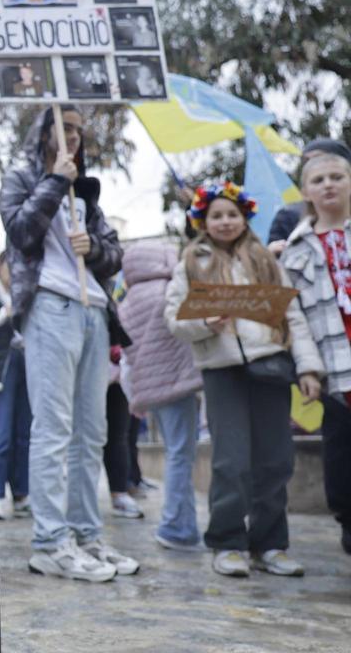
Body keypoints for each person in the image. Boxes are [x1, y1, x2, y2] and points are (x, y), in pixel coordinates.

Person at [0, 104, 136, 583]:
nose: (73, 136)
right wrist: (54, 181)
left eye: (78, 129)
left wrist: (93, 249)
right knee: (53, 429)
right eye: (64, 127)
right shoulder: (21, 178)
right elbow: (19, 232)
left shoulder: (87, 193)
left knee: (90, 431)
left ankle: (85, 535)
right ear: (44, 131)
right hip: (50, 306)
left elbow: (115, 252)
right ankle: (50, 542)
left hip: (94, 310)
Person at [164, 182, 323, 577]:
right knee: (231, 460)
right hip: (222, 371)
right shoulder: (191, 261)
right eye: (216, 215)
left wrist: (307, 367)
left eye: (231, 214)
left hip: (270, 365)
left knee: (275, 460)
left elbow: (293, 317)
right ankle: (228, 541)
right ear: (202, 220)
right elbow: (174, 319)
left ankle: (270, 544)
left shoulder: (267, 262)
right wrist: (205, 322)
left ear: (245, 217)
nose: (224, 222)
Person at [278, 153, 351, 555]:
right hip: (336, 371)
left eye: (337, 176)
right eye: (319, 179)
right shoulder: (296, 251)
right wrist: (307, 368)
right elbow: (296, 319)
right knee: (341, 458)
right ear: (306, 191)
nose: (329, 185)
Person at [118, 240, 205, 551]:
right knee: (182, 455)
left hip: (151, 389)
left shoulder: (128, 301)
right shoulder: (170, 290)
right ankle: (176, 528)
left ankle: (183, 526)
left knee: (176, 454)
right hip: (178, 383)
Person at [0, 254, 32, 521]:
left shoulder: (26, 296)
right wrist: (0, 318)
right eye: (9, 264)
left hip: (26, 368)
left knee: (24, 434)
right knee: (1, 436)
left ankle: (21, 493)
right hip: (1, 371)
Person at [268, 139, 351, 250]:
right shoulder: (288, 215)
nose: (327, 184)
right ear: (305, 191)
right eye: (306, 161)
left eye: (336, 177)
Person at [103, 345, 144, 519]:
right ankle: (79, 503)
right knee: (84, 437)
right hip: (89, 366)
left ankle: (120, 491)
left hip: (118, 372)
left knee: (120, 436)